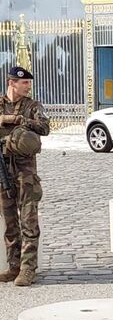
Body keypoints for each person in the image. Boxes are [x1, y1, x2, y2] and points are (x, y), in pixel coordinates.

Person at [1, 66, 49, 287]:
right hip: (3, 171)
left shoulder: (32, 106)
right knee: (10, 221)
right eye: (24, 83)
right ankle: (13, 266)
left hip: (25, 173)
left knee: (28, 220)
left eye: (29, 83)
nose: (28, 86)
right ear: (12, 83)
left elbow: (45, 128)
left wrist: (21, 120)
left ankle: (28, 268)